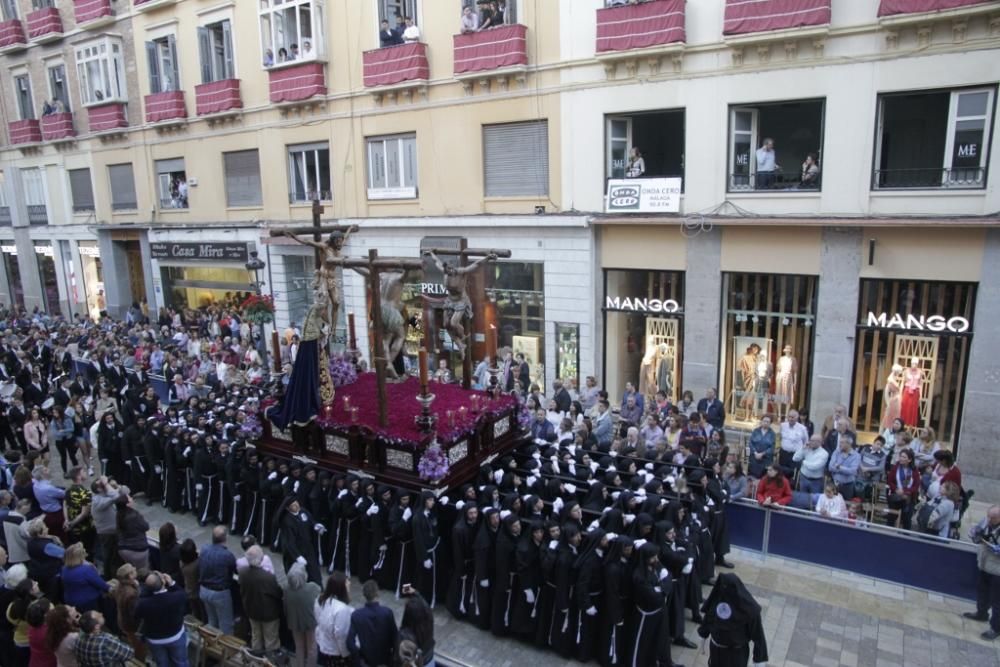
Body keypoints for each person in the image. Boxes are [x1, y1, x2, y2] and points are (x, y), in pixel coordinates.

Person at [697, 573, 768, 666]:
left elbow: (758, 635)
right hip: (716, 650)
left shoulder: (749, 609)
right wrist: (703, 634)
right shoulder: (718, 598)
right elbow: (709, 617)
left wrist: (759, 659)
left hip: (736, 655)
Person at [133, 570, 189, 667]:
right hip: (175, 636)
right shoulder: (176, 597)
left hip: (155, 639)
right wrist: (172, 583)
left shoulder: (143, 604)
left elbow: (137, 615)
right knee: (181, 662)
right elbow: (182, 593)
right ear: (163, 582)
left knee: (162, 664)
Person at [238, 545, 283, 654]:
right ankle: (269, 662)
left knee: (256, 637)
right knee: (271, 641)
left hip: (252, 612)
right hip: (268, 615)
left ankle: (256, 661)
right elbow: (278, 593)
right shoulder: (268, 577)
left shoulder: (242, 573)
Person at [965, 505, 1000, 640]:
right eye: (989, 516)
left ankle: (995, 628)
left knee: (997, 601)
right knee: (982, 591)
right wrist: (975, 535)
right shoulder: (986, 522)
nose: (990, 520)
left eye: (994, 518)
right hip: (984, 564)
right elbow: (973, 532)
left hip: (997, 571)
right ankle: (981, 613)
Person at [347, 580, 398, 667]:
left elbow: (349, 642)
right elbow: (395, 637)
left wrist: (357, 659)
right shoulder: (387, 612)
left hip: (367, 659)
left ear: (364, 595)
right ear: (377, 593)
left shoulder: (357, 615)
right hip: (385, 659)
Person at [197, 525, 236, 635]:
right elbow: (234, 570)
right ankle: (226, 650)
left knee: (212, 621)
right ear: (225, 537)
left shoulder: (204, 549)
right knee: (226, 624)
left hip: (204, 590)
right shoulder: (227, 555)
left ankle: (210, 646)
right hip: (220, 593)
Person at [283, 561, 320, 667]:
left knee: (299, 646)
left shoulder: (286, 588)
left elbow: (285, 606)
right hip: (309, 623)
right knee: (311, 648)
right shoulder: (312, 588)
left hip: (294, 621)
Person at [315, 570, 352, 666]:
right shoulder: (342, 609)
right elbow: (340, 635)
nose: (349, 588)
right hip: (334, 651)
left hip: (322, 644)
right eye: (347, 586)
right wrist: (345, 653)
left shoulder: (320, 599)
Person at [60, 544, 108, 614]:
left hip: (70, 601)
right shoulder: (86, 569)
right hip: (88, 602)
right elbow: (101, 584)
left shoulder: (64, 569)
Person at [398, 586, 435, 667]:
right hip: (429, 659)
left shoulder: (405, 635)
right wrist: (415, 592)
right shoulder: (428, 619)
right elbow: (424, 605)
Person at [887, 449, 920, 530]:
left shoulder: (914, 471)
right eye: (900, 456)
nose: (901, 458)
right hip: (896, 495)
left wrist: (905, 492)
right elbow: (889, 481)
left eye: (904, 457)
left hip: (909, 497)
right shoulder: (896, 468)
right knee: (891, 517)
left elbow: (916, 486)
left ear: (909, 459)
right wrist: (896, 490)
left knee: (907, 519)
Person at [828, 434, 861, 501]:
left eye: (842, 442)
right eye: (840, 442)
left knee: (846, 504)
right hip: (834, 483)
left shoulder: (856, 456)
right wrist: (843, 469)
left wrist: (839, 467)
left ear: (849, 444)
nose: (840, 444)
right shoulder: (836, 452)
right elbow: (830, 467)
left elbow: (852, 471)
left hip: (847, 486)